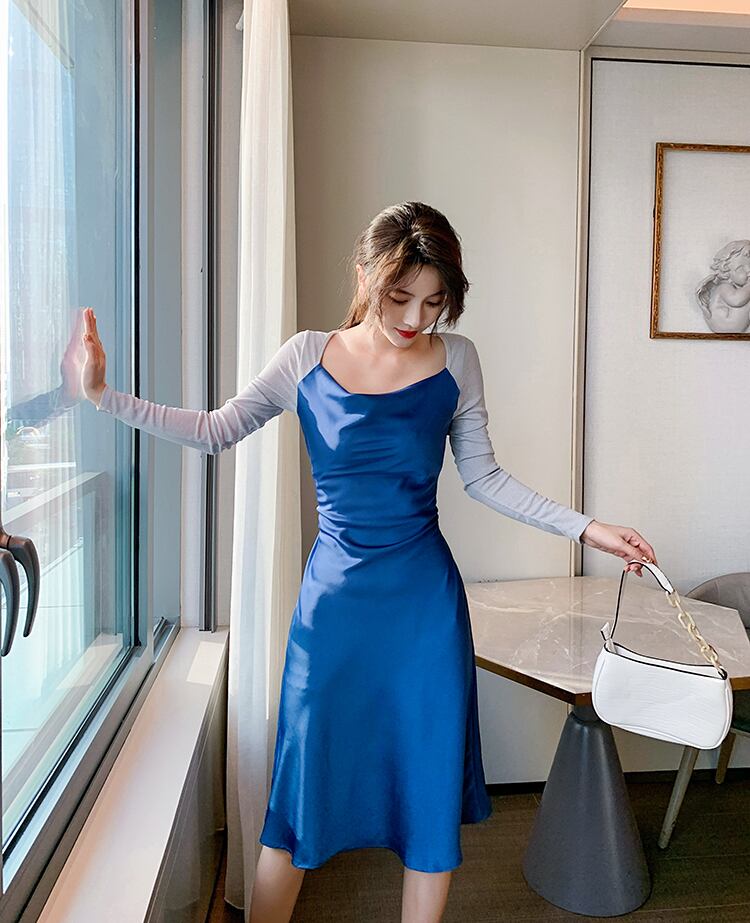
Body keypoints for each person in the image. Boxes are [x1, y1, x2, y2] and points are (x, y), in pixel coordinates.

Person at [80, 202, 658, 923]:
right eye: (399, 297)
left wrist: (589, 528)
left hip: (424, 610)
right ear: (365, 276)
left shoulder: (458, 359)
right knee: (299, 799)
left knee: (427, 797)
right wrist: (103, 397)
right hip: (333, 612)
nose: (416, 318)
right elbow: (215, 430)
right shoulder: (305, 355)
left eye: (434, 302)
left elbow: (484, 478)